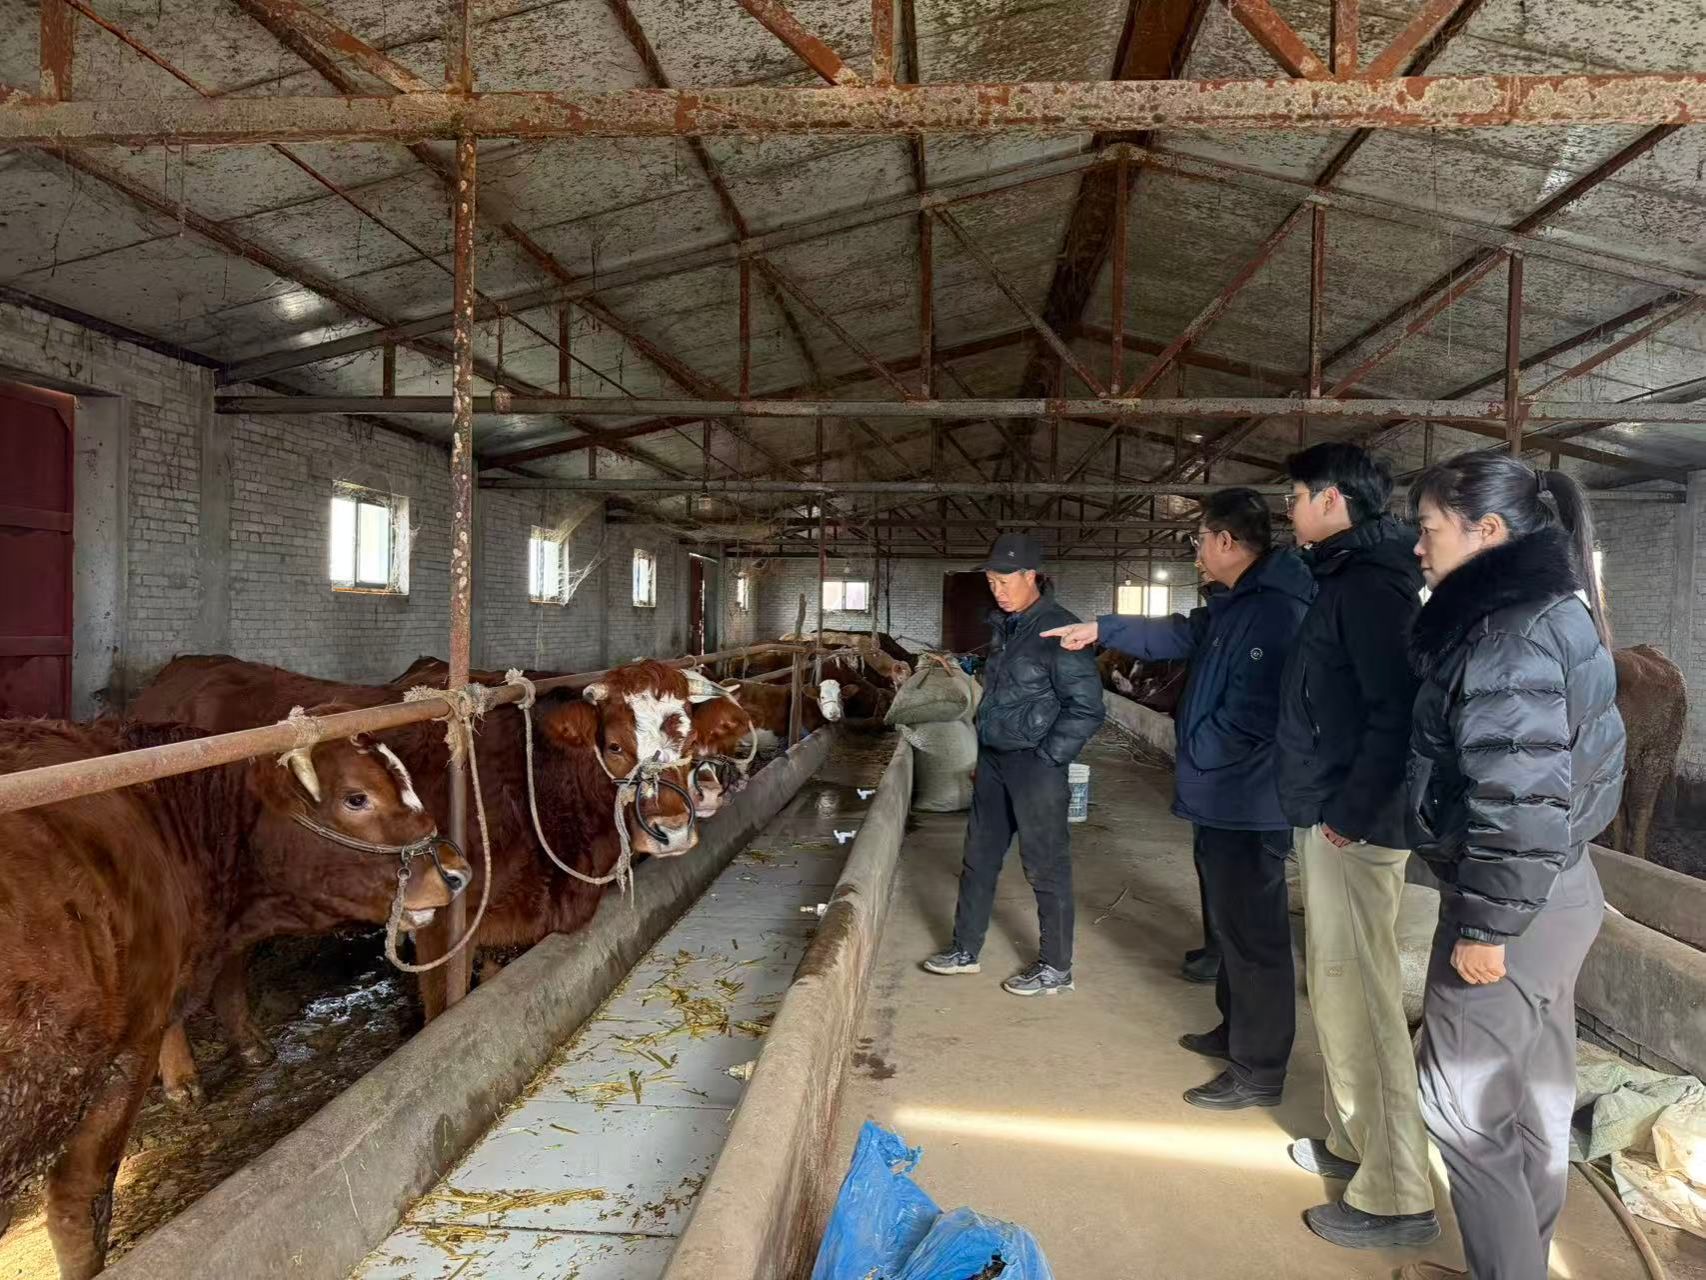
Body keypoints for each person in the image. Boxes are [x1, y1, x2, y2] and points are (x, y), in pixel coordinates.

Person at [1397, 454, 1625, 1280]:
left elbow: (1519, 795)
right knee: (1534, 1098)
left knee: (1462, 1107)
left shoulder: (1504, 638)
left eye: (1429, 529)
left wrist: (1487, 925)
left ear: (1486, 531)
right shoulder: (1556, 611)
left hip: (1512, 903)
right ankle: (1519, 1262)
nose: (1418, 546)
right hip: (1562, 888)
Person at [1046, 489, 1312, 1109]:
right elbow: (1180, 632)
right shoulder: (1235, 602)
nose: (1195, 554)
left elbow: (1262, 712)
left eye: (1199, 541)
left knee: (1257, 937)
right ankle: (1234, 1030)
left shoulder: (1276, 610)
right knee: (1230, 926)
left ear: (1225, 541)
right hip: (1223, 792)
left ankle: (1260, 1070)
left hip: (1249, 798)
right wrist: (1103, 628)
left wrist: (1203, 746)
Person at [1275, 443, 1440, 1250]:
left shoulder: (1373, 587)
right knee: (1336, 989)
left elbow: (1395, 712)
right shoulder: (1345, 577)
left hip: (1355, 824)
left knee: (1366, 999)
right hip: (1334, 813)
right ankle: (1352, 1142)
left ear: (1333, 500)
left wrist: (1348, 810)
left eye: (1296, 495)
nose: (1289, 508)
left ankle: (1398, 1193)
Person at [923, 532, 1105, 997]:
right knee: (978, 858)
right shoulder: (1006, 628)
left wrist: (1048, 758)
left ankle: (1056, 967)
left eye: (1005, 581)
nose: (998, 590)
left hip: (1035, 766)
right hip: (995, 762)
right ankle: (965, 949)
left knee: (1045, 866)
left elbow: (1087, 707)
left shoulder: (1059, 630)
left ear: (1031, 576)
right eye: (991, 581)